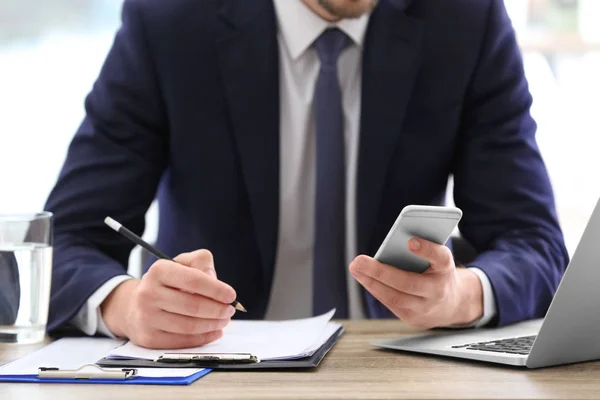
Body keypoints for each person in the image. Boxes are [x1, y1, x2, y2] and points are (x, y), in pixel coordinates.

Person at [44, 0, 569, 349]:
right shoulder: (172, 19)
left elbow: (533, 241)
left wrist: (462, 297)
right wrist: (129, 306)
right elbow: (63, 240)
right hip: (216, 365)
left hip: (397, 369)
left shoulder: (465, 20)